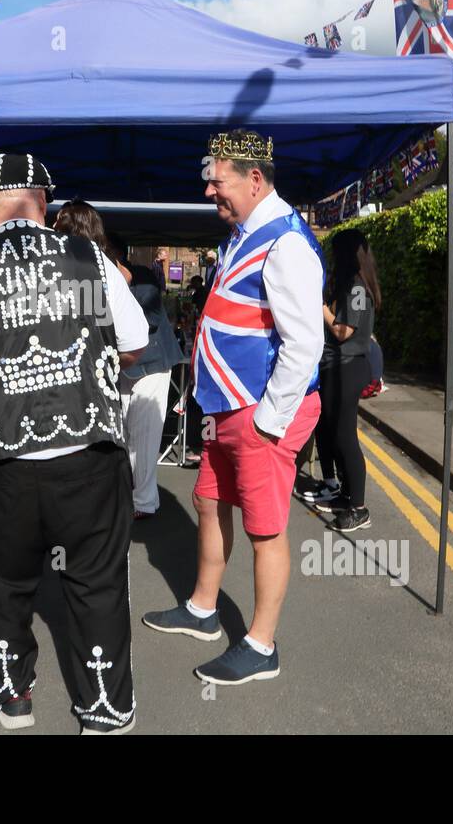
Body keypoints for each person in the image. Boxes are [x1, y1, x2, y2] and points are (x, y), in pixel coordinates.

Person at [0, 154, 148, 733]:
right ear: (42, 199)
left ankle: (13, 697)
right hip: (88, 456)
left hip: (1, 465)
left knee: (6, 584)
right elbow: (137, 339)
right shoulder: (88, 257)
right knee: (96, 584)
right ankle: (103, 708)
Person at [142, 129, 324, 686]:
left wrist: (268, 422)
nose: (209, 194)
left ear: (253, 179)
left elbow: (305, 344)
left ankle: (261, 645)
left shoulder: (285, 241)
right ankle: (202, 609)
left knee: (264, 529)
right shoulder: (248, 233)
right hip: (226, 407)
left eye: (216, 184)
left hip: (257, 411)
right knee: (208, 503)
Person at [53, 205, 185, 519]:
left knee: (145, 434)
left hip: (151, 363)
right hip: (123, 367)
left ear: (114, 252)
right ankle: (130, 495)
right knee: (125, 433)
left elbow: (148, 319)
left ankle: (144, 503)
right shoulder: (88, 275)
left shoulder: (139, 278)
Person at [303, 229, 380, 532]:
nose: (332, 259)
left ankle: (359, 509)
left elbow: (342, 331)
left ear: (348, 255)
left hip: (349, 367)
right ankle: (346, 495)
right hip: (337, 366)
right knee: (335, 433)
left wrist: (319, 305)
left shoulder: (357, 288)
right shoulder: (351, 285)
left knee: (346, 437)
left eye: (336, 253)